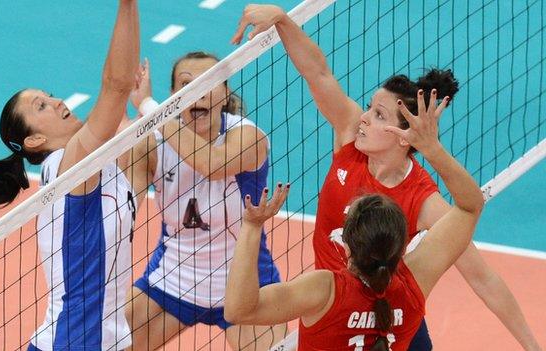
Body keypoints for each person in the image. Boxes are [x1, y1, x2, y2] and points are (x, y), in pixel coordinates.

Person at [231, 4, 542, 351]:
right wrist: (283, 21)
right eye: (368, 107)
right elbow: (319, 74)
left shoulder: (424, 201)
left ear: (403, 136)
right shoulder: (350, 135)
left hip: (388, 313)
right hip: (333, 307)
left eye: (378, 114)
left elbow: (482, 278)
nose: (363, 118)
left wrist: (532, 345)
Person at [224, 87, 485, 351]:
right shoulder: (415, 282)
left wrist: (251, 226)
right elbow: (470, 207)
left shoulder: (324, 290)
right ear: (400, 244)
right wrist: (430, 147)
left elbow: (238, 311)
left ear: (345, 244)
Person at [0, 1, 150, 350]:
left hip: (100, 339)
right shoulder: (68, 165)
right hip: (75, 341)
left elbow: (136, 178)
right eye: (41, 106)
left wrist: (143, 105)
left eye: (48, 96)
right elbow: (115, 85)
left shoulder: (95, 167)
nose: (57, 101)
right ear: (34, 140)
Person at [125, 53, 287, 350]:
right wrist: (124, 139)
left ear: (225, 94)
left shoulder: (248, 136)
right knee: (101, 341)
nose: (198, 91)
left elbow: (211, 164)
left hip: (246, 284)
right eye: (187, 84)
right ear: (175, 96)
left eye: (208, 82)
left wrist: (150, 109)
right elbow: (123, 213)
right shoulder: (152, 144)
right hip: (173, 278)